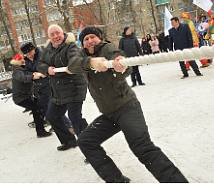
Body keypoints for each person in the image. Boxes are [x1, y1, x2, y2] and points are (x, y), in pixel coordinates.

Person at [68, 26, 188, 183]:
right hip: (109, 114)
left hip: (126, 107)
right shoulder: (82, 55)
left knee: (141, 146)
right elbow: (72, 66)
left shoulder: (107, 47)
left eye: (93, 37)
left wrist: (120, 65)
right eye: (86, 39)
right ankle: (117, 181)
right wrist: (91, 62)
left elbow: (122, 61)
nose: (90, 41)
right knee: (85, 141)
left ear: (100, 38)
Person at [37, 25, 89, 151]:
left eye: (57, 33)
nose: (56, 37)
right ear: (49, 37)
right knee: (52, 115)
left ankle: (90, 146)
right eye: (52, 35)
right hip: (59, 91)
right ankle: (69, 140)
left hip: (74, 87)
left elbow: (75, 58)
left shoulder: (70, 46)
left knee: (75, 118)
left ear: (63, 33)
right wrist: (47, 69)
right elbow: (40, 64)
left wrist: (71, 66)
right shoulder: (48, 50)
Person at [21, 41, 74, 131]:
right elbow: (26, 71)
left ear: (34, 49)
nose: (29, 56)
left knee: (52, 107)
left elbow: (50, 67)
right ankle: (56, 123)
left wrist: (43, 72)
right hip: (41, 88)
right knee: (41, 106)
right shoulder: (27, 61)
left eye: (30, 53)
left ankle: (68, 125)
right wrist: (34, 74)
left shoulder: (42, 56)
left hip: (51, 85)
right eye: (26, 54)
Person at [10, 54, 52, 138]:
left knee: (41, 105)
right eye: (20, 59)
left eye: (23, 59)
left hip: (28, 96)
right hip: (20, 97)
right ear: (16, 61)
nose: (22, 60)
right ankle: (40, 130)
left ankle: (43, 120)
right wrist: (34, 76)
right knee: (36, 108)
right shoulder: (17, 69)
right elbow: (22, 78)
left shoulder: (25, 69)